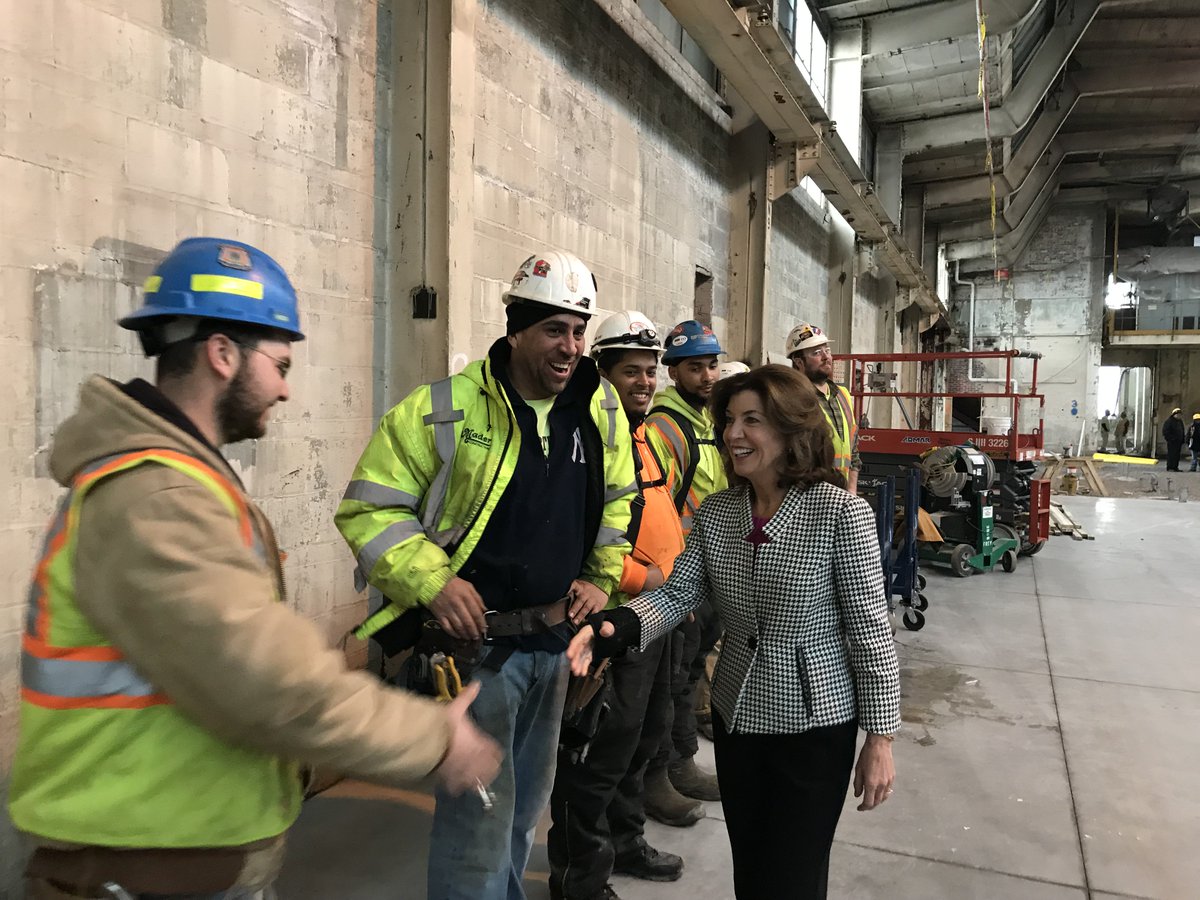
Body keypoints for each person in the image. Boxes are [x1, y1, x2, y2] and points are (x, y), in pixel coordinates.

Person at [8, 238, 500, 900]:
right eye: (280, 365)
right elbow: (270, 682)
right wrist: (435, 737)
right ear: (222, 354)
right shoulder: (157, 499)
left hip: (176, 855)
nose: (286, 389)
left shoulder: (179, 484)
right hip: (144, 869)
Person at [335, 249, 635, 900]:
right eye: (554, 329)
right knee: (477, 826)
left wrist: (600, 577)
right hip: (478, 656)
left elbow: (619, 500)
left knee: (523, 815)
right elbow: (369, 508)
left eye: (578, 330)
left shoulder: (599, 407)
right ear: (516, 329)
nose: (570, 347)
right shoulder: (445, 409)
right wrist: (434, 583)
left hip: (555, 647)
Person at [568, 364, 901, 900]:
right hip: (736, 715)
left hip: (812, 725)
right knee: (751, 865)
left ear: (792, 429)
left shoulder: (841, 513)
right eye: (728, 420)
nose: (733, 434)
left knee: (792, 874)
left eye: (752, 420)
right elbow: (678, 594)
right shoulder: (721, 511)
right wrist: (617, 626)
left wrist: (880, 738)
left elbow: (871, 634)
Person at [547, 311, 687, 900]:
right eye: (631, 371)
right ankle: (579, 877)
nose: (645, 382)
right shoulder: (582, 438)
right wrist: (639, 576)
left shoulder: (647, 437)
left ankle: (626, 841)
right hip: (613, 620)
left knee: (643, 738)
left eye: (650, 372)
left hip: (658, 615)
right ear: (600, 371)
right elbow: (574, 536)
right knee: (598, 753)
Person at [643, 319, 727, 825]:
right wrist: (679, 585)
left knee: (690, 675)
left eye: (712, 365)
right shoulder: (665, 428)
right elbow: (661, 513)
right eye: (695, 367)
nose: (708, 375)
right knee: (672, 681)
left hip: (712, 575)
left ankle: (682, 763)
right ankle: (666, 772)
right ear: (673, 373)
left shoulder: (707, 423)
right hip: (681, 580)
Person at [787, 322, 861, 494]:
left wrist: (851, 490)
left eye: (827, 350)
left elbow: (854, 449)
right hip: (808, 492)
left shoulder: (842, 395)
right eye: (816, 353)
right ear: (799, 362)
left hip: (842, 491)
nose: (826, 357)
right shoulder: (793, 399)